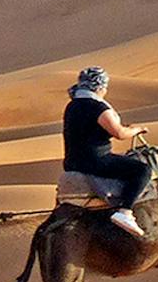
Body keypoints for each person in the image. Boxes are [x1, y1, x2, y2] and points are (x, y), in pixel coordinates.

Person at [59, 66, 151, 236]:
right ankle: (125, 212)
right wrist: (136, 129)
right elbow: (120, 134)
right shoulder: (98, 108)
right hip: (96, 161)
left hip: (72, 162)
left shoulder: (72, 105)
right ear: (100, 87)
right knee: (142, 170)